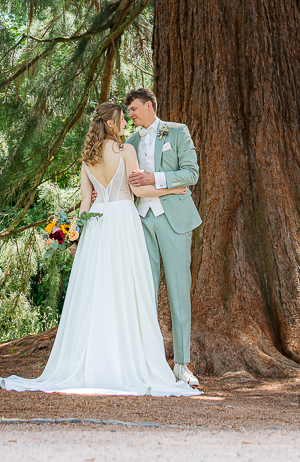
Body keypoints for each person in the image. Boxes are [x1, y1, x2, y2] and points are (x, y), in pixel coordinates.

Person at [0, 101, 201, 397]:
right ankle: (128, 359)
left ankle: (96, 358)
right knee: (128, 290)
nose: (126, 123)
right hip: (123, 222)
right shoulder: (126, 150)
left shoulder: (88, 158)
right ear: (110, 123)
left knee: (98, 290)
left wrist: (76, 237)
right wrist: (173, 188)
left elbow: (85, 201)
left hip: (97, 224)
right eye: (122, 119)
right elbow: (138, 190)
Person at [125, 87, 201, 389]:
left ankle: (182, 365)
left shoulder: (177, 132)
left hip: (174, 220)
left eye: (134, 109)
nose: (130, 114)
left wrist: (154, 178)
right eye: (128, 111)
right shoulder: (130, 144)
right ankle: (150, 363)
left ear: (149, 106)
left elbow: (191, 174)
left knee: (179, 291)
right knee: (145, 293)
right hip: (141, 221)